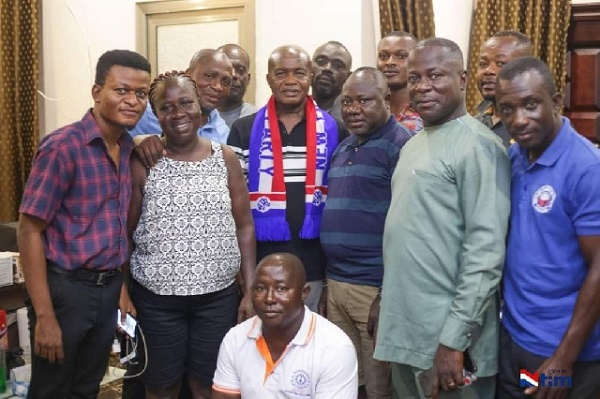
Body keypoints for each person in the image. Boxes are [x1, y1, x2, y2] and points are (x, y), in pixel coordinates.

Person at [373, 38, 510, 399]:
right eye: (415, 78)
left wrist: (454, 339)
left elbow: (485, 253)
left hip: (449, 343)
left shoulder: (478, 146)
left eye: (435, 76)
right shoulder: (413, 143)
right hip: (407, 333)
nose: (423, 87)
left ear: (463, 79)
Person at [17, 49, 151, 398]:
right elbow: (29, 230)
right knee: (52, 389)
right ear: (96, 92)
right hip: (65, 292)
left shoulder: (126, 148)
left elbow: (115, 228)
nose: (132, 101)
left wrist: (120, 287)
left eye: (140, 93)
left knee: (88, 387)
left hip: (107, 289)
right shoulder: (63, 148)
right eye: (121, 90)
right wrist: (45, 316)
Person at [126, 71, 256, 399]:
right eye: (167, 107)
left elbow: (244, 226)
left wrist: (249, 290)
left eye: (186, 103)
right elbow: (125, 234)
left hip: (217, 298)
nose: (178, 113)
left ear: (200, 108)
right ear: (156, 116)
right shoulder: (144, 162)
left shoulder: (224, 157)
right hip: (156, 301)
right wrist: (121, 290)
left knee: (209, 386)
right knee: (160, 387)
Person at [495, 57, 600, 399]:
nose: (519, 120)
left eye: (530, 104)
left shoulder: (587, 167)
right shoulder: (514, 158)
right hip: (515, 339)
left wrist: (564, 358)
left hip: (563, 354)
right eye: (507, 109)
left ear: (556, 103)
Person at [228, 45, 348, 313]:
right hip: (261, 262)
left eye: (299, 73)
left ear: (310, 77)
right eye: (281, 73)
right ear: (269, 78)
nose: (291, 81)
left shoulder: (335, 129)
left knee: (310, 346)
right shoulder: (243, 130)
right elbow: (233, 206)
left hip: (316, 263)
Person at [320, 67, 412, 399]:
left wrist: (386, 295)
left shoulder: (402, 146)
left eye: (364, 100)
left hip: (373, 290)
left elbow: (409, 228)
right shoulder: (344, 147)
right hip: (338, 286)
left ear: (386, 100)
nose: (354, 109)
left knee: (379, 387)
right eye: (347, 102)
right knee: (344, 383)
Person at [212, 253, 358, 398]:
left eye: (281, 289)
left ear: (304, 293)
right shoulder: (235, 339)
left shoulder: (335, 348)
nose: (269, 298)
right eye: (261, 288)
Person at [130, 49, 232, 167]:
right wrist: (137, 142)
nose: (218, 87)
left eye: (226, 81)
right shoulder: (147, 112)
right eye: (209, 76)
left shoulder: (223, 131)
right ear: (188, 74)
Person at [474, 30, 532, 147]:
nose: (488, 71)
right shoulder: (472, 125)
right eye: (483, 64)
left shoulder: (540, 126)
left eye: (500, 64)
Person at [376, 31, 423, 135]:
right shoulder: (368, 109)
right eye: (384, 56)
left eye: (401, 56)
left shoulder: (427, 109)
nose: (390, 62)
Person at [216, 43, 258, 128]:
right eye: (227, 69)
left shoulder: (260, 120)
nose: (234, 75)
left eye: (241, 70)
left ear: (248, 79)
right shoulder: (198, 120)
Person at [311, 40, 352, 121]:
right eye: (321, 62)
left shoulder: (352, 119)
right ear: (308, 68)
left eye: (338, 65)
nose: (327, 68)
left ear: (348, 77)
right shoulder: (291, 112)